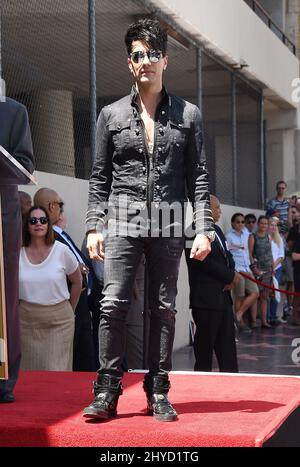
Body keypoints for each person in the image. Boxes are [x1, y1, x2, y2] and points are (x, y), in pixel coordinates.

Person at [83, 18, 214, 422]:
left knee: (164, 307)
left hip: (170, 220)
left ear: (165, 60)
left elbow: (200, 174)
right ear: (129, 63)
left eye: (153, 54)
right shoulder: (111, 114)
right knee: (112, 304)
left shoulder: (188, 115)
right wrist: (93, 224)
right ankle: (107, 391)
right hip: (123, 219)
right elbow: (100, 175)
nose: (146, 62)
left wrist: (204, 227)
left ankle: (158, 391)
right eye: (139, 55)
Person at [34, 188, 96, 371]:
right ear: (51, 206)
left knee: (84, 359)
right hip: (67, 302)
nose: (61, 209)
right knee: (67, 358)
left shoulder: (59, 233)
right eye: (60, 205)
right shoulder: (44, 235)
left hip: (81, 303)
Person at [0, 98, 34, 403]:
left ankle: (2, 377)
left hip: (1, 216)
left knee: (3, 299)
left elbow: (25, 167)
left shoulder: (13, 111)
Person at [19, 206, 82, 370]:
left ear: (48, 224)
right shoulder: (17, 253)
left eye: (43, 220)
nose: (38, 224)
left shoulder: (61, 251)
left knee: (56, 371)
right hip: (26, 322)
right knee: (29, 373)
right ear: (27, 225)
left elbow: (77, 281)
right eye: (33, 220)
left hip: (59, 322)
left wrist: (70, 309)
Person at [185, 195, 239, 373]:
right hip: (206, 300)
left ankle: (232, 381)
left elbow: (227, 255)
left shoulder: (217, 229)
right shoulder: (191, 232)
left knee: (227, 348)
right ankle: (202, 384)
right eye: (217, 208)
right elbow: (202, 261)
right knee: (204, 349)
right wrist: (229, 276)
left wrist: (232, 275)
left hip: (223, 298)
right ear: (206, 210)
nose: (220, 212)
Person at [226, 213, 259, 332]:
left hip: (247, 269)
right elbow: (227, 254)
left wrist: (253, 267)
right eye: (238, 222)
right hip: (237, 270)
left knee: (255, 293)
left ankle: (239, 313)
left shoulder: (247, 234)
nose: (240, 224)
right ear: (233, 223)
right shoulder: (229, 236)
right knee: (239, 296)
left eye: (242, 222)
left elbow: (249, 252)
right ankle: (241, 323)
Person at [248, 216, 274, 328]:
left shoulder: (269, 237)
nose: (264, 225)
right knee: (256, 295)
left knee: (265, 296)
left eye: (266, 223)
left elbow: (270, 253)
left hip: (268, 270)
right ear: (258, 224)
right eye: (262, 223)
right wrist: (254, 268)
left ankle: (264, 321)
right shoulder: (252, 236)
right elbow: (249, 254)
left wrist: (272, 269)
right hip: (257, 270)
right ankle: (253, 321)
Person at [268, 217, 285, 325]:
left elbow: (281, 255)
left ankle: (273, 316)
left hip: (277, 269)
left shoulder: (280, 239)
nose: (273, 227)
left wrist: (273, 266)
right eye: (271, 225)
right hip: (266, 269)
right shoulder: (265, 238)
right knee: (266, 293)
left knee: (275, 293)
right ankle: (267, 317)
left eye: (275, 225)